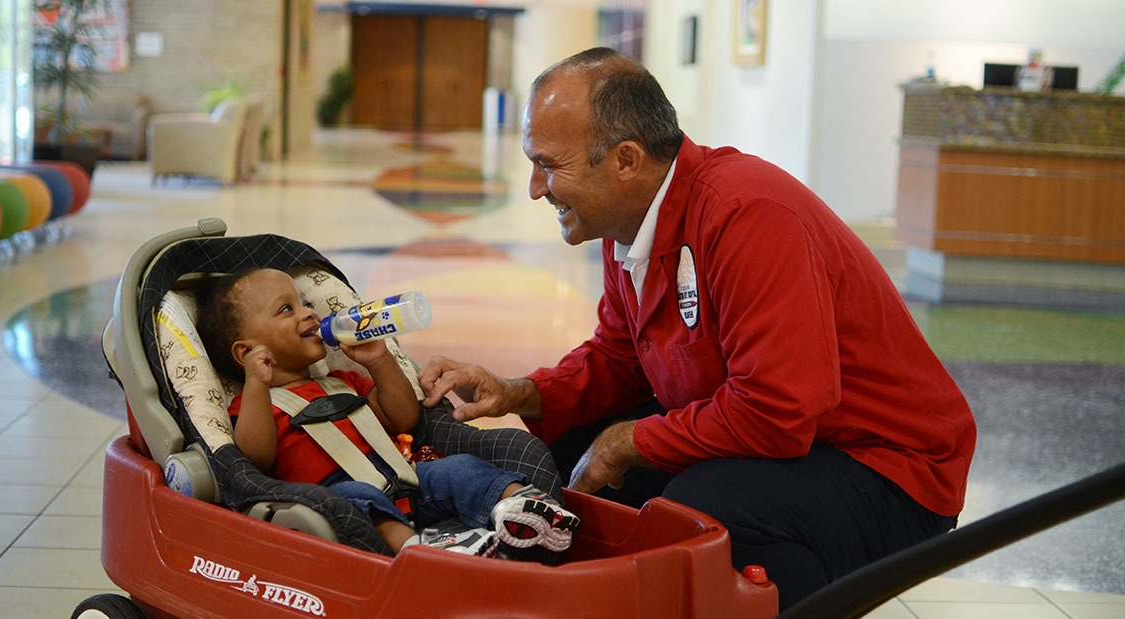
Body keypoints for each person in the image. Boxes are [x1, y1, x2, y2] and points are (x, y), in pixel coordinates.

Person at [418, 47, 976, 609]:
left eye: (550, 164)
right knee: (573, 442)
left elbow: (779, 410)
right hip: (785, 437)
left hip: (887, 467)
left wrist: (630, 440)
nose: (537, 188)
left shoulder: (747, 214)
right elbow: (620, 359)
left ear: (627, 160)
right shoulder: (627, 224)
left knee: (709, 509)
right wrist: (519, 391)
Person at [196, 267, 579, 563]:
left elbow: (403, 419)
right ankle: (417, 551)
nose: (309, 314)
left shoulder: (342, 381)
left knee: (460, 467)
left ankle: (526, 509)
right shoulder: (254, 404)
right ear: (244, 352)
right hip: (339, 496)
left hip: (407, 478)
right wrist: (257, 385)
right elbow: (256, 456)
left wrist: (380, 362)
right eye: (287, 309)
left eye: (305, 303)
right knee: (358, 496)